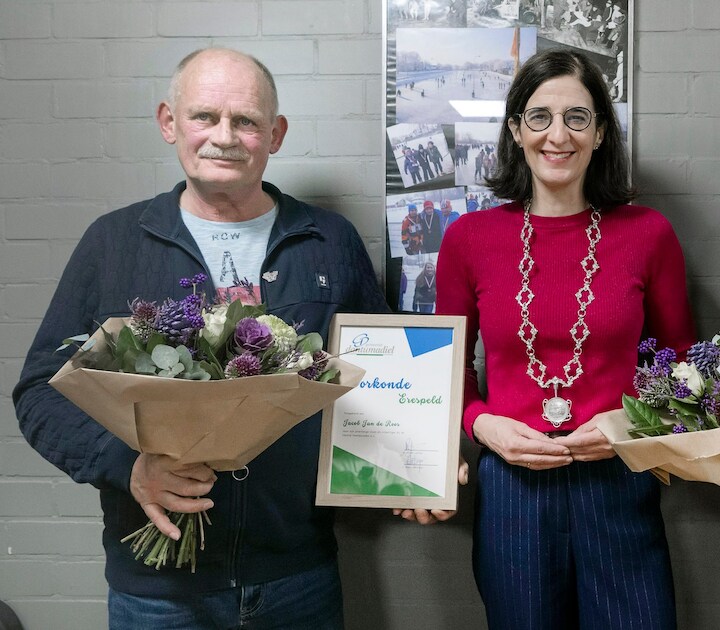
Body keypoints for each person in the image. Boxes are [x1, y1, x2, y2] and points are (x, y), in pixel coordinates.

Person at [12, 48, 461, 629]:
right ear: (169, 122)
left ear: (275, 134)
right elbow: (40, 392)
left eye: (246, 121)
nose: (224, 137)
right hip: (159, 592)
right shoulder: (114, 242)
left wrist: (416, 467)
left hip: (298, 574)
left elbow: (382, 378)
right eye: (204, 116)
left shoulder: (328, 241)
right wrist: (127, 467)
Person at [436, 49, 694, 630]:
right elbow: (451, 370)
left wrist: (632, 423)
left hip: (620, 478)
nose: (558, 135)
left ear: (600, 133)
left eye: (577, 117)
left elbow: (681, 365)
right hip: (512, 487)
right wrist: (482, 425)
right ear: (515, 130)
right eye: (539, 116)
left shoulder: (648, 233)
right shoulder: (468, 238)